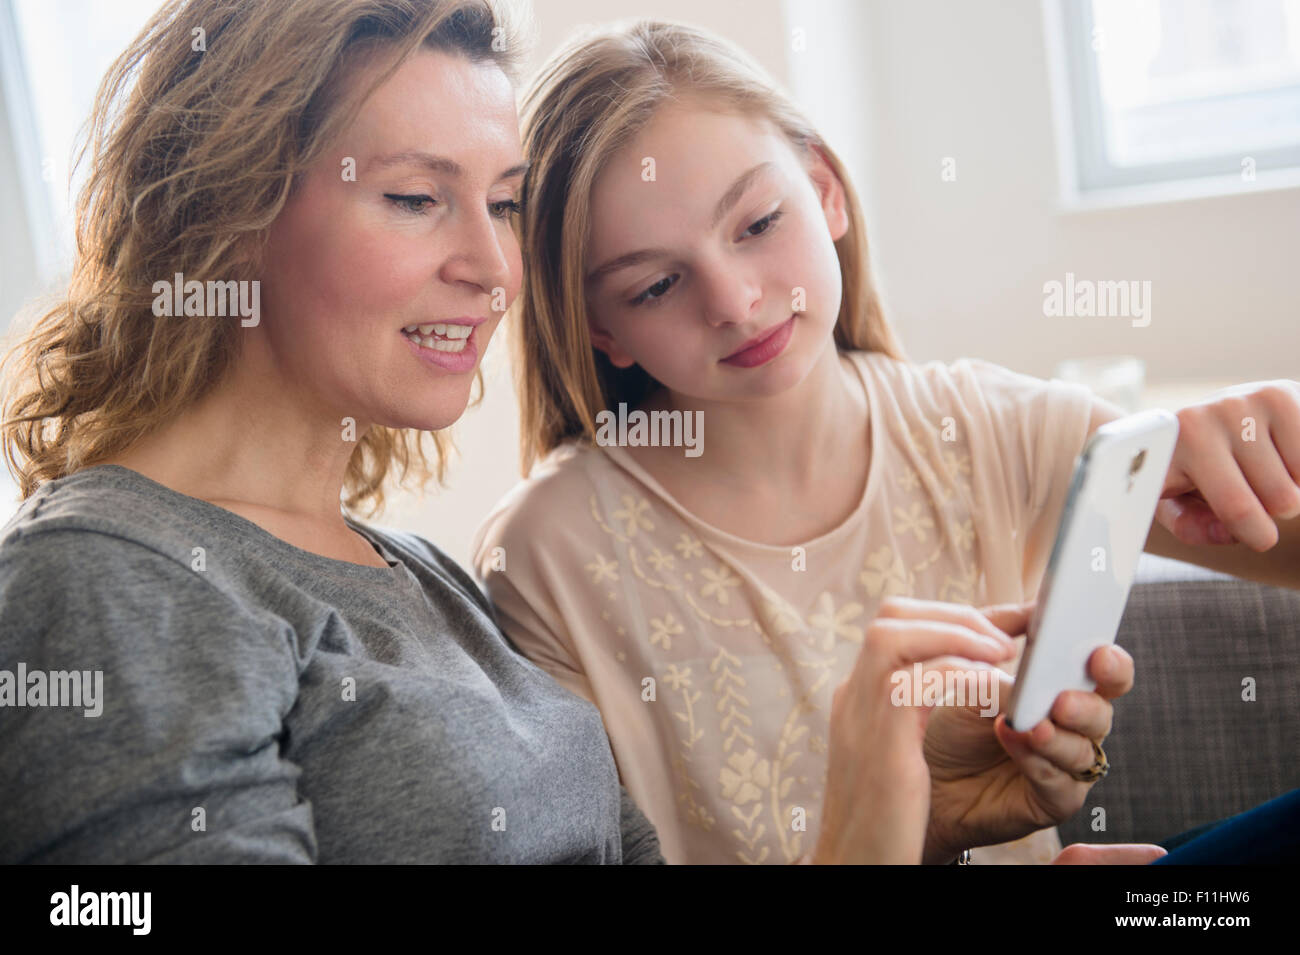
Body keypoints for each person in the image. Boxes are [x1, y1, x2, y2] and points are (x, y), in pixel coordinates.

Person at [471, 19, 1300, 864]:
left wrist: (1273, 437)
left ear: (825, 187)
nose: (734, 300)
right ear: (600, 329)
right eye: (654, 285)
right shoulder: (549, 557)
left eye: (757, 223)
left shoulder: (992, 429)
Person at [0, 0, 672, 864]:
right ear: (233, 211)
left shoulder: (428, 577)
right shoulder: (101, 579)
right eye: (416, 198)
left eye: (505, 202)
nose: (494, 266)